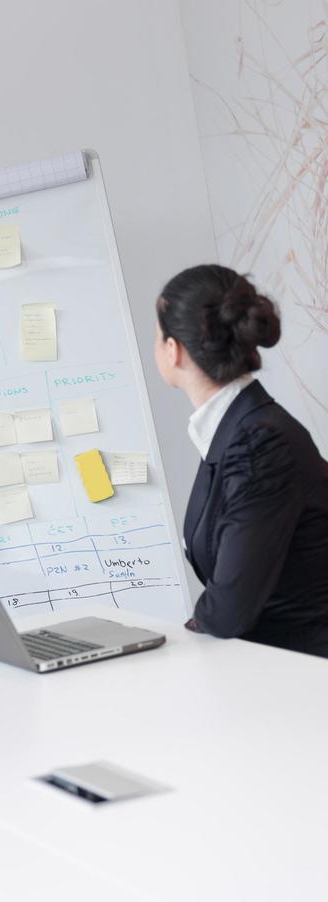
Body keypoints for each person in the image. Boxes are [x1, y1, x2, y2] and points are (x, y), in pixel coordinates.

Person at [154, 264, 328, 657]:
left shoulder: (259, 442)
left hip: (305, 679)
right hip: (268, 668)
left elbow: (229, 609)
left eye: (157, 333)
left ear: (172, 350)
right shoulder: (234, 429)